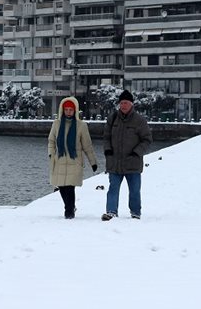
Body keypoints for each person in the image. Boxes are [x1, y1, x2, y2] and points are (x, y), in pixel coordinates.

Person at [102, 90, 153, 221]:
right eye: (121, 103)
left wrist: (137, 152)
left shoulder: (139, 121)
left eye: (126, 103)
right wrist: (108, 151)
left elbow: (147, 139)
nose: (123, 105)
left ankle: (135, 212)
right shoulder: (112, 118)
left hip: (133, 162)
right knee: (113, 188)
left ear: (131, 104)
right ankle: (111, 211)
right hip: (115, 162)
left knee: (134, 190)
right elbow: (106, 137)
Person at [48, 97, 97, 219]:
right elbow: (51, 140)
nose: (68, 112)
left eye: (71, 110)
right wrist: (51, 153)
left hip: (75, 160)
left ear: (75, 111)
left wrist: (93, 162)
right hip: (60, 159)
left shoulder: (81, 126)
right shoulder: (56, 124)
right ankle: (70, 206)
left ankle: (69, 211)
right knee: (61, 186)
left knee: (70, 187)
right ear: (62, 110)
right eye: (66, 109)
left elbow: (87, 145)